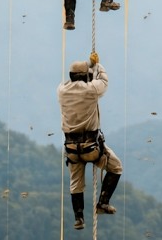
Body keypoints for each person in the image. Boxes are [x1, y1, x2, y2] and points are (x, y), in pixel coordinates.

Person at [57, 52, 123, 229]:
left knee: (76, 182)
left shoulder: (62, 91)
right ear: (85, 76)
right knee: (116, 167)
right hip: (91, 148)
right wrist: (97, 65)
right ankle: (102, 202)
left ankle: (79, 218)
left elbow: (79, 81)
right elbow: (103, 82)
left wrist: (88, 66)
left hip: (71, 149)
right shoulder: (90, 90)